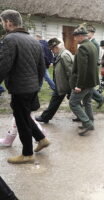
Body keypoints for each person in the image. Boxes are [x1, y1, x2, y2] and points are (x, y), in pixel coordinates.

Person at [0, 9, 50, 164]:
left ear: (8, 22)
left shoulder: (10, 39)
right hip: (32, 87)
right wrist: (36, 85)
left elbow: (3, 66)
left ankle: (27, 154)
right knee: (23, 116)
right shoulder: (34, 41)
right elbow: (42, 67)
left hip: (20, 88)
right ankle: (42, 139)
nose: (2, 25)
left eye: (2, 22)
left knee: (21, 121)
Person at [69, 24, 99, 136]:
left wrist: (79, 85)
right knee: (87, 102)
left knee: (73, 103)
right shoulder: (92, 45)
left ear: (81, 36)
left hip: (84, 83)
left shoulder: (83, 48)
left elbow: (82, 69)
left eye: (76, 37)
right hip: (92, 81)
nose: (75, 39)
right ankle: (90, 122)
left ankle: (87, 123)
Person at [35, 38, 73, 123]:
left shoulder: (64, 55)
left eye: (52, 49)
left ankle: (45, 117)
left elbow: (70, 72)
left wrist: (72, 87)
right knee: (73, 102)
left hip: (64, 84)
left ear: (56, 47)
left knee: (57, 101)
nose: (52, 51)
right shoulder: (61, 54)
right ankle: (83, 117)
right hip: (62, 84)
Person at [86, 24, 104, 108]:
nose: (86, 34)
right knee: (87, 87)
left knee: (88, 87)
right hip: (89, 68)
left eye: (87, 32)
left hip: (91, 69)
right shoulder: (90, 42)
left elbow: (94, 58)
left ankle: (100, 98)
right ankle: (100, 99)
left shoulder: (95, 44)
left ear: (92, 33)